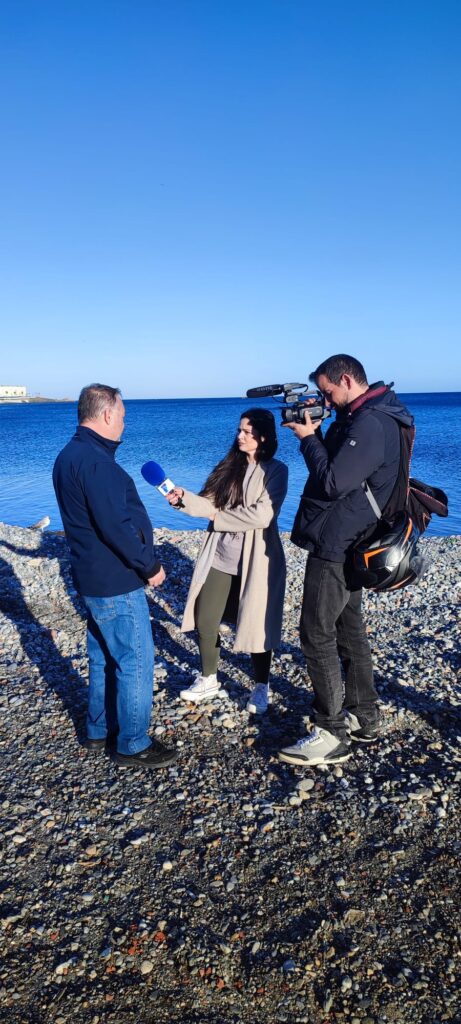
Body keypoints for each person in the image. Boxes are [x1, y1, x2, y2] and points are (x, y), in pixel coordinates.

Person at [278, 354, 414, 767]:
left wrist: (307, 437)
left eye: (328, 390)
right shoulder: (370, 415)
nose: (325, 398)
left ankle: (330, 733)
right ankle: (364, 716)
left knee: (315, 632)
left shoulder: (370, 423)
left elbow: (334, 481)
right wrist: (321, 431)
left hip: (338, 543)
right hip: (354, 538)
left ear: (348, 379)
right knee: (348, 629)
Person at [53, 383, 177, 770]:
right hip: (115, 578)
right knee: (135, 659)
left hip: (91, 576)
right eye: (122, 415)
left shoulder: (69, 455)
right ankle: (132, 743)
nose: (124, 423)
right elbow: (116, 526)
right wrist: (150, 566)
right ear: (107, 414)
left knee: (104, 656)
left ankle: (98, 729)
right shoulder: (95, 462)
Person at [167, 409, 288, 714]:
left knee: (255, 625)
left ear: (263, 436)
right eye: (239, 431)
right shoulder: (227, 466)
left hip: (258, 559)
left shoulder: (277, 471)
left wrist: (217, 517)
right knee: (206, 620)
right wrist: (183, 498)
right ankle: (209, 678)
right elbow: (207, 502)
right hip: (220, 556)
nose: (240, 436)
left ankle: (261, 685)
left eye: (247, 432)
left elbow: (262, 515)